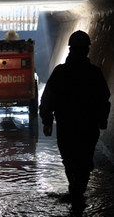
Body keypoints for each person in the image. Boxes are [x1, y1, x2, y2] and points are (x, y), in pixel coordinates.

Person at [39, 30, 111, 206]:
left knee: (70, 159)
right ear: (87, 50)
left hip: (66, 126)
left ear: (69, 49)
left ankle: (75, 190)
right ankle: (78, 193)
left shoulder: (61, 72)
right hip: (88, 126)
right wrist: (102, 119)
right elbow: (104, 98)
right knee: (84, 160)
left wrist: (47, 120)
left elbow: (48, 98)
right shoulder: (94, 73)